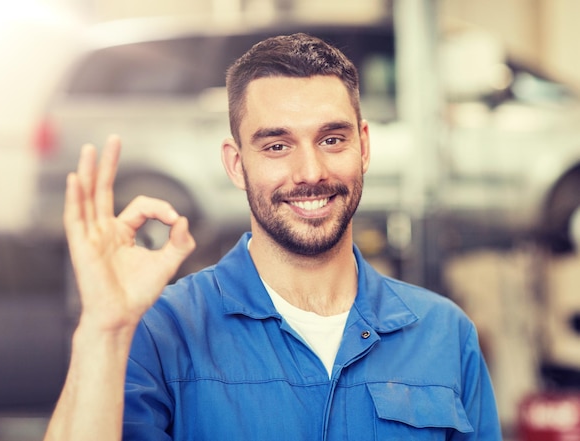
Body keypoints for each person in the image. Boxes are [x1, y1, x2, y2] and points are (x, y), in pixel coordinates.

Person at [43, 33, 502, 440]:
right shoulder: (162, 332)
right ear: (236, 164)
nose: (310, 172)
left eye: (332, 140)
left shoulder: (444, 333)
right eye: (277, 146)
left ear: (364, 145)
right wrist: (103, 330)